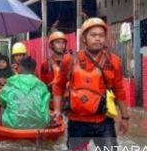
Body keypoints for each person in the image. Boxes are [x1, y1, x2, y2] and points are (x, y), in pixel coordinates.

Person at [52, 18, 129, 149]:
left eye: (101, 35)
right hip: (77, 122)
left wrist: (125, 117)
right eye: (93, 35)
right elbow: (58, 85)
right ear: (84, 38)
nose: (98, 38)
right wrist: (57, 110)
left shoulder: (114, 61)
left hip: (104, 121)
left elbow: (119, 90)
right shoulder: (69, 60)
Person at [0, 56, 50, 129]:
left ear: (20, 68)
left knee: (2, 102)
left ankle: (3, 129)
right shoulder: (42, 85)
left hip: (12, 125)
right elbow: (45, 106)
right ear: (34, 70)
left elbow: (1, 100)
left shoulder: (11, 81)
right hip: (39, 126)